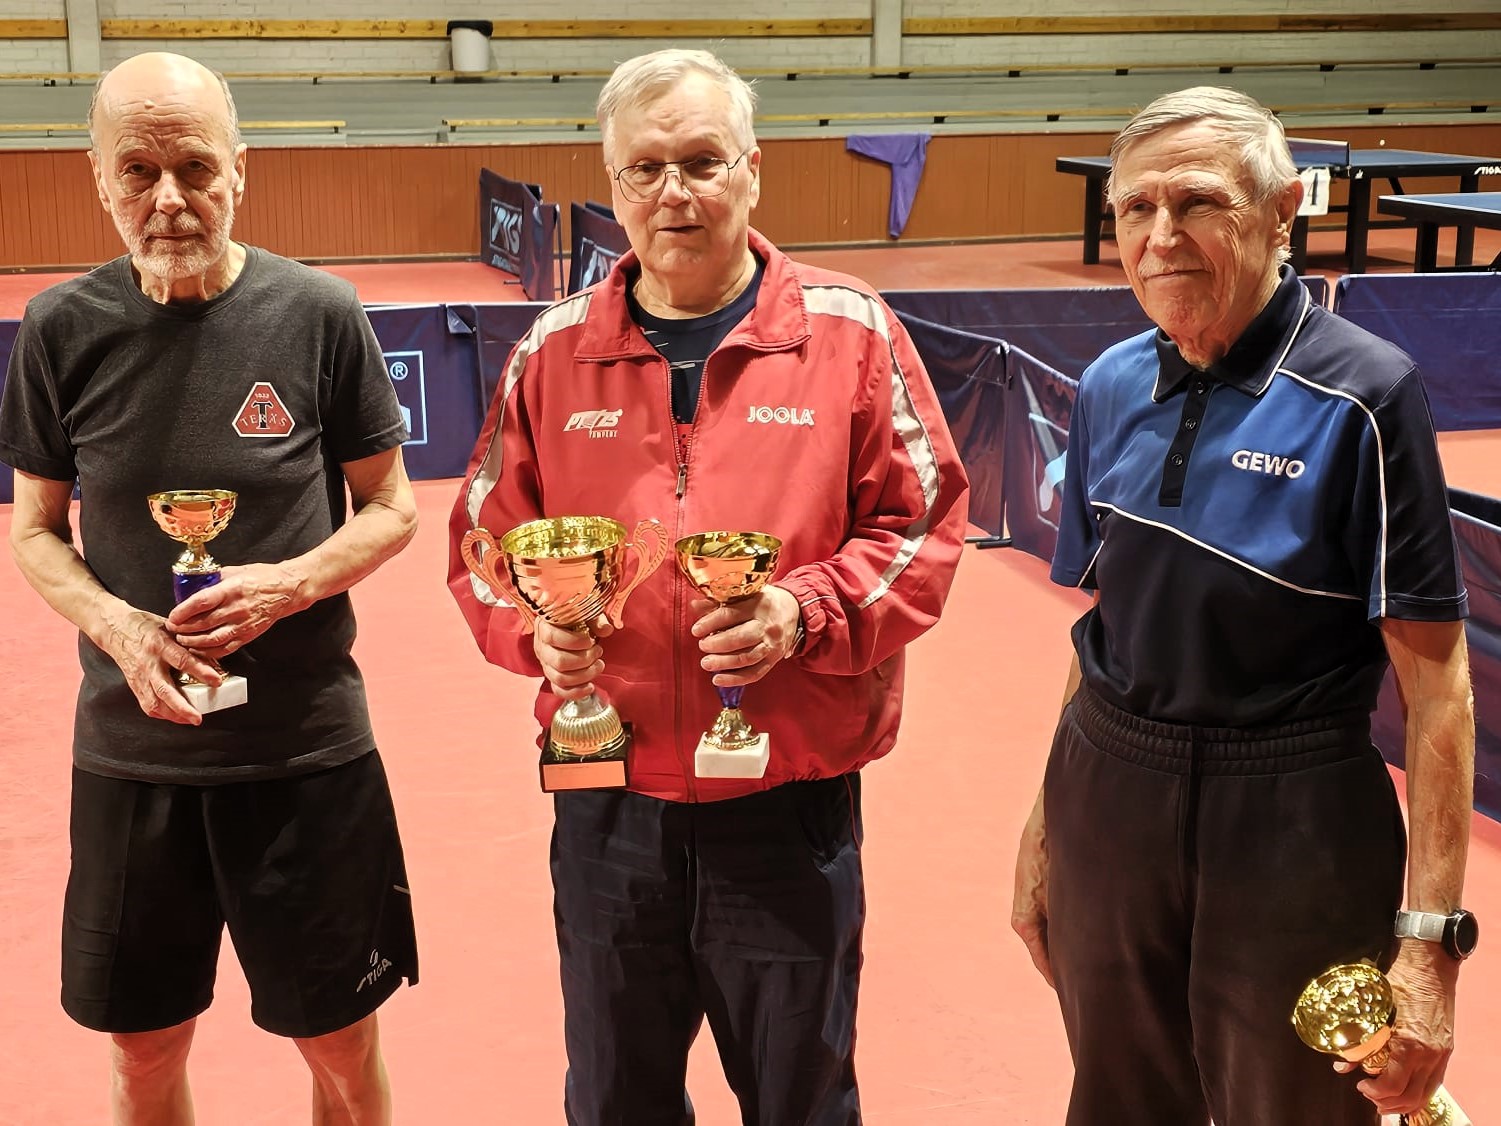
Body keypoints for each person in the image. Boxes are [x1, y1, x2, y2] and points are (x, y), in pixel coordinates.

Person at [448, 48, 968, 1126]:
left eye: (700, 161)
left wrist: (800, 610)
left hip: (785, 798)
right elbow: (482, 546)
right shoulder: (551, 353)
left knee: (799, 1100)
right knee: (614, 1099)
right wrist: (536, 632)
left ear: (751, 170)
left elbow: (922, 524)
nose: (672, 192)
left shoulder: (850, 331)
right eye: (644, 169)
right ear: (613, 184)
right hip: (607, 800)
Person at [1011, 86, 1476, 1126]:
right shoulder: (1107, 383)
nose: (1159, 237)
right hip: (1108, 790)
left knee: (1296, 1111)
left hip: (1293, 814)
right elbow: (1101, 629)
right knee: (1118, 1100)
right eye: (1136, 209)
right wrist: (1047, 827)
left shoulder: (1367, 393)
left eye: (1197, 204)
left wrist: (1427, 945)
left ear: (1279, 211)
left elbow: (1436, 683)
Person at [0, 52, 418, 1125]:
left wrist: (290, 583)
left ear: (240, 169)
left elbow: (391, 507)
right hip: (131, 756)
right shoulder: (59, 328)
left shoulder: (319, 312)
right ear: (100, 178)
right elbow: (35, 529)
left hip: (304, 750)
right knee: (143, 1050)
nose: (169, 199)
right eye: (138, 171)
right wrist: (117, 626)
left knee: (338, 1047)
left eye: (194, 167)